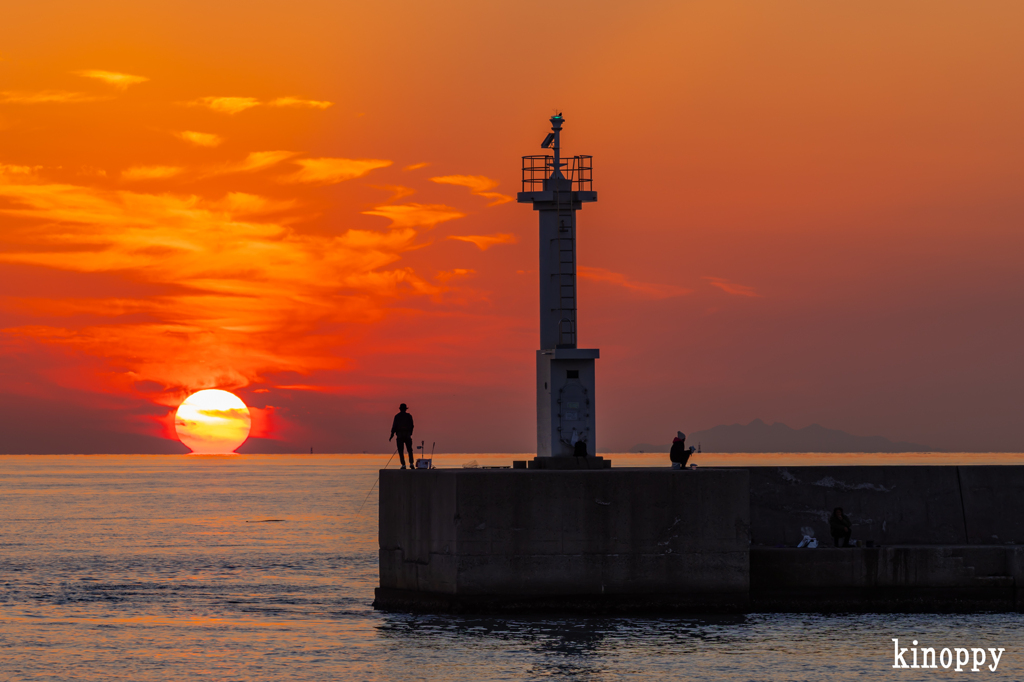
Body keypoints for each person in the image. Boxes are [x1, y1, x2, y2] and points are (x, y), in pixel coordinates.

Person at [389, 403, 415, 469]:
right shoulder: (409, 416)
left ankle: (403, 465)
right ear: (405, 409)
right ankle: (411, 463)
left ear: (400, 409)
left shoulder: (397, 416)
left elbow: (394, 427)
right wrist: (410, 433)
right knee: (409, 450)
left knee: (401, 451)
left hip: (400, 436)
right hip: (407, 436)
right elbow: (412, 426)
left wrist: (391, 435)